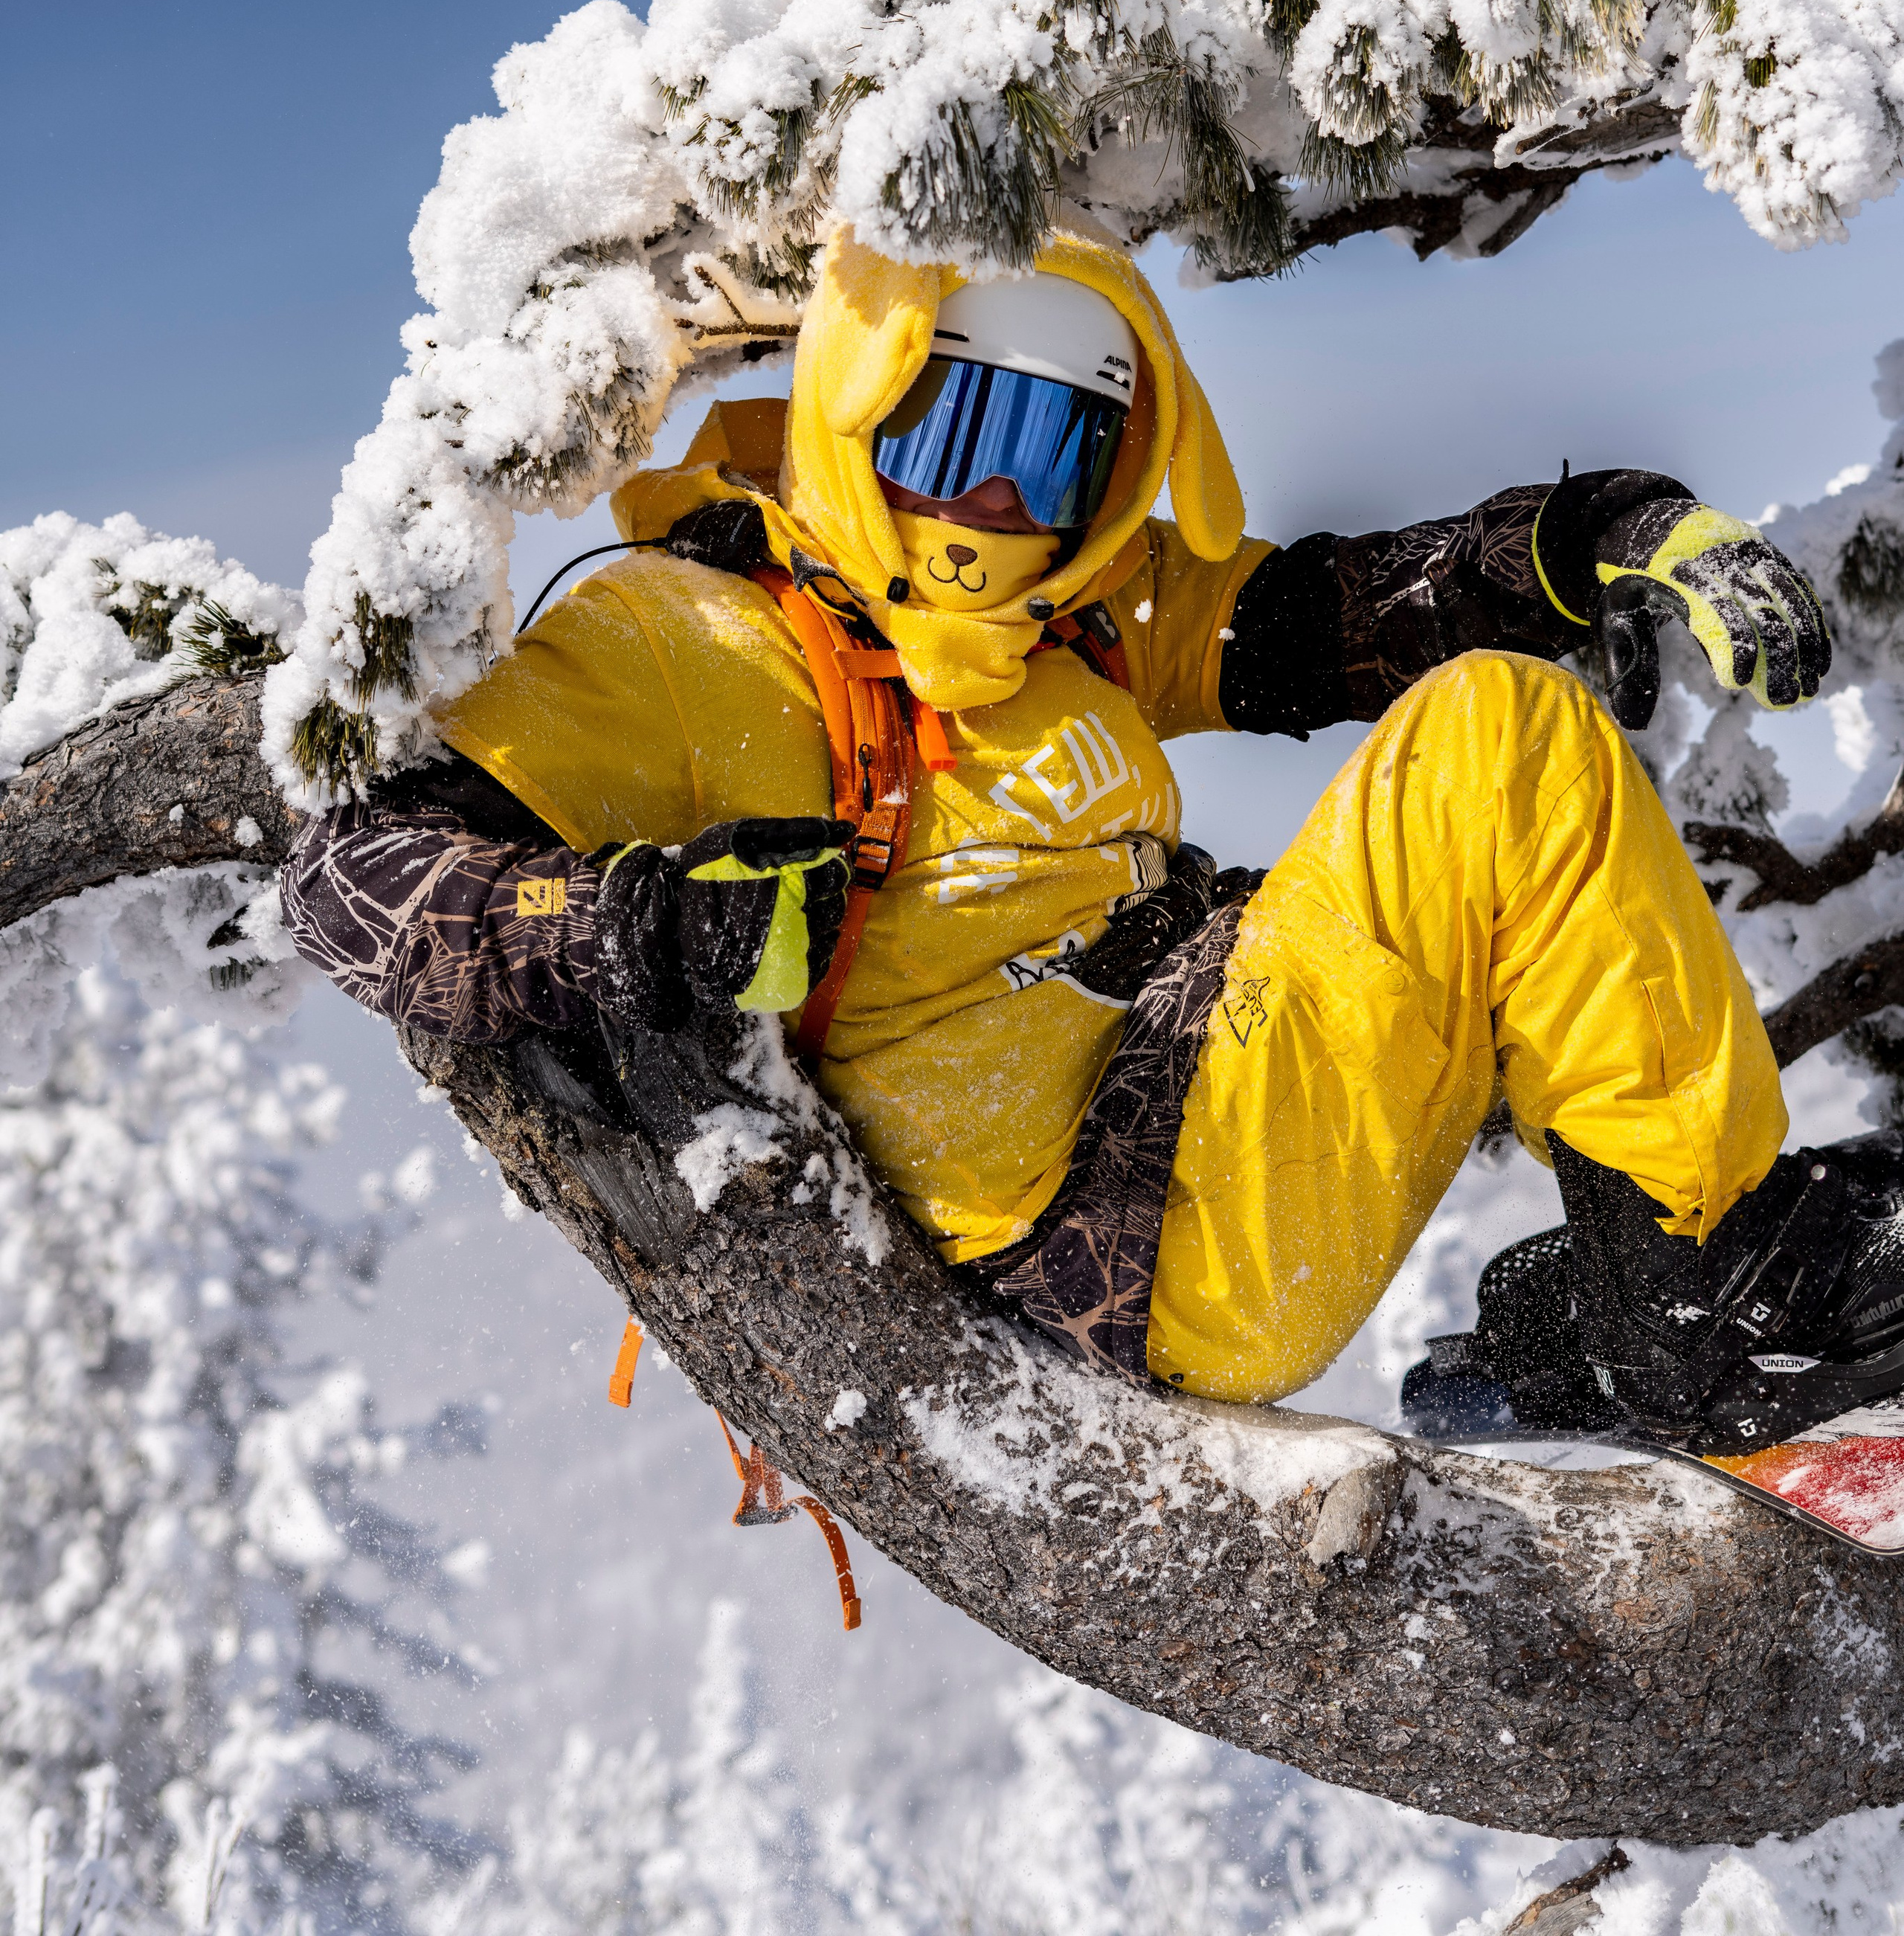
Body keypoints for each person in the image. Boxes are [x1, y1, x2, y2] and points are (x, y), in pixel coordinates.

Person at [282, 221, 1899, 1457]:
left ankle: (1631, 1291)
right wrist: (630, 927)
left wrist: (1589, 537)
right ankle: (1708, 1300)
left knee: (1473, 797)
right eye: (942, 432)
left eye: (1050, 448)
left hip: (1209, 1110)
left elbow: (1319, 617)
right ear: (851, 407)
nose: (994, 503)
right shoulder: (690, 640)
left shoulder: (1075, 617)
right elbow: (349, 874)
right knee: (1502, 740)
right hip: (1124, 1240)